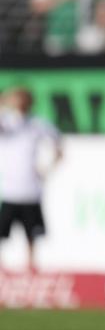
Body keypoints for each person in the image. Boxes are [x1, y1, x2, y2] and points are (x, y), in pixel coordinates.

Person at [0, 87, 62, 271]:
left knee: (32, 234)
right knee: (3, 232)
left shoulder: (37, 124)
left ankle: (31, 266)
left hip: (31, 191)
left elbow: (58, 146)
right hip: (10, 190)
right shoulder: (6, 122)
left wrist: (46, 170)